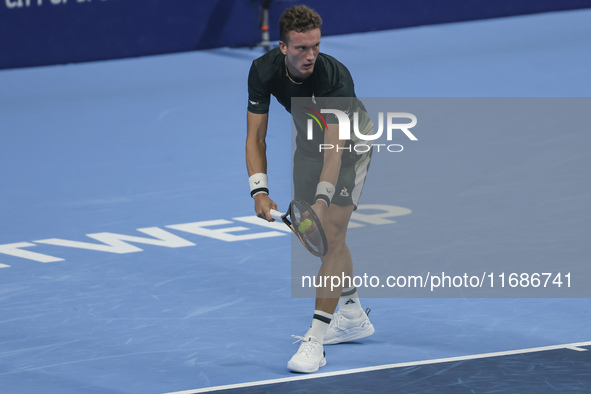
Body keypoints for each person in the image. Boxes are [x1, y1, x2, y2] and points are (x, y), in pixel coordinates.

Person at [245, 5, 374, 373]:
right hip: (308, 145)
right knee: (319, 241)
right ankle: (350, 311)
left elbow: (336, 149)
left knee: (330, 231)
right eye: (301, 48)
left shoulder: (334, 77)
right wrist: (259, 190)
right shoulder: (262, 71)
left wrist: (321, 200)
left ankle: (315, 340)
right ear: (283, 48)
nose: (311, 55)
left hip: (350, 146)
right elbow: (255, 136)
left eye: (315, 46)